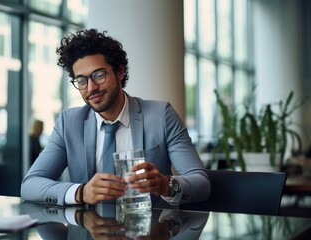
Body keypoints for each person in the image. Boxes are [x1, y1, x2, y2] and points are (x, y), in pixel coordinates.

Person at [20, 29, 210, 207]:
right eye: (81, 80)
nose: (91, 87)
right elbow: (30, 185)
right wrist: (81, 192)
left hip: (150, 230)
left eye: (99, 75)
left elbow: (201, 183)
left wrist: (166, 185)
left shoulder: (160, 115)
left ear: (120, 72)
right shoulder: (68, 123)